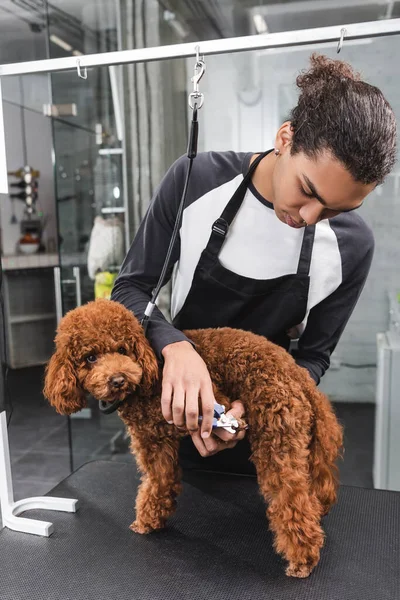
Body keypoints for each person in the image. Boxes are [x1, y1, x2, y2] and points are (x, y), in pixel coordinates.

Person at [111, 53, 397, 474]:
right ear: (285, 138)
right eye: (306, 190)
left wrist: (249, 410)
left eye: (336, 209)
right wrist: (175, 345)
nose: (309, 217)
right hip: (172, 414)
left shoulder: (353, 246)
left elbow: (313, 357)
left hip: (270, 435)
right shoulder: (196, 180)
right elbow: (131, 289)